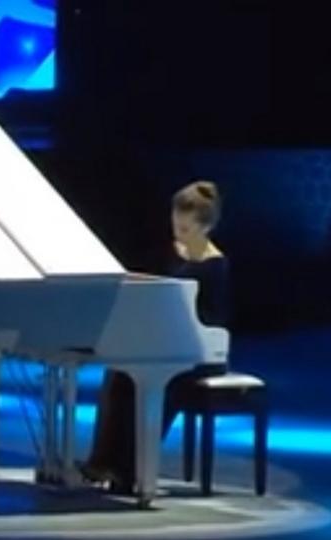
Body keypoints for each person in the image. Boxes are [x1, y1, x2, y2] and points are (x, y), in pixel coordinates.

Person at [84, 180, 230, 492]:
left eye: (186, 228)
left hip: (200, 354)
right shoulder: (172, 253)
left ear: (206, 227)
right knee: (120, 373)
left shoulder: (215, 265)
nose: (179, 233)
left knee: (161, 385)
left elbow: (215, 318)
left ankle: (132, 469)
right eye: (176, 225)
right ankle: (103, 463)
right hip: (168, 343)